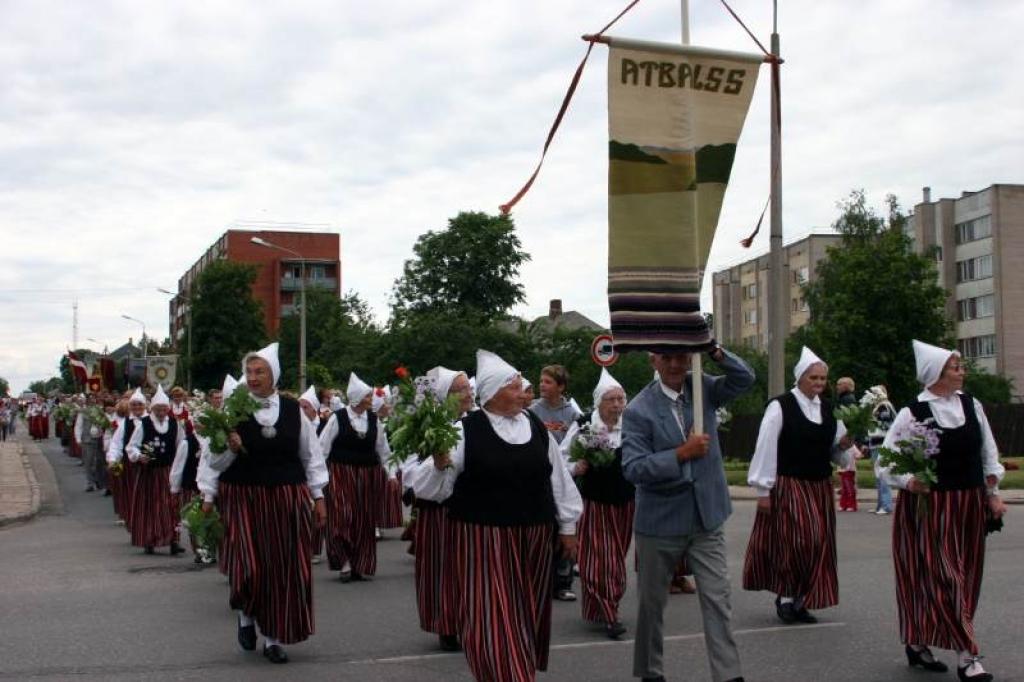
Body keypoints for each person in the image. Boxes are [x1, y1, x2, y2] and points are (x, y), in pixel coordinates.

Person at [413, 350, 583, 682]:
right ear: (493, 393)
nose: (524, 393)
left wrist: (567, 526)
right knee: (492, 615)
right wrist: (438, 462)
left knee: (526, 613)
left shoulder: (535, 426)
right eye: (516, 386)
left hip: (533, 535)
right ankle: (510, 675)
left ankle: (514, 670)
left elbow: (558, 479)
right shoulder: (466, 430)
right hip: (483, 538)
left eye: (522, 386)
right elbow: (431, 487)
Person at [622, 342, 754, 682]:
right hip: (660, 521)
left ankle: (729, 674)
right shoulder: (639, 409)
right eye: (667, 357)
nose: (676, 364)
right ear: (653, 359)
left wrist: (715, 351)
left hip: (706, 517)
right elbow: (634, 468)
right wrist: (681, 453)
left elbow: (745, 378)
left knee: (717, 598)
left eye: (682, 356)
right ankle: (650, 672)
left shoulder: (704, 388)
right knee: (652, 605)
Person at [879, 340, 1007, 681]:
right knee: (946, 578)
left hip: (968, 505)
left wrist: (992, 493)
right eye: (955, 367)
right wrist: (909, 481)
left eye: (960, 366)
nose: (962, 371)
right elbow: (886, 462)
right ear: (936, 374)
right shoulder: (912, 412)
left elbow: (988, 452)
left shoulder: (971, 405)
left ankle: (919, 642)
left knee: (965, 578)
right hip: (929, 508)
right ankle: (968, 657)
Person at [203, 344, 328, 664]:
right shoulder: (232, 409)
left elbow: (311, 456)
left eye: (260, 372)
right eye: (249, 372)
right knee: (249, 568)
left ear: (274, 375)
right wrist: (230, 447)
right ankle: (246, 615)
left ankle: (272, 638)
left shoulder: (292, 410)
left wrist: (318, 496)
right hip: (243, 497)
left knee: (279, 571)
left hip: (286, 495)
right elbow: (213, 462)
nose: (254, 377)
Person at [743, 347, 860, 624]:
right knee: (797, 541)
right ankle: (785, 595)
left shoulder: (829, 410)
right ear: (800, 378)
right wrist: (763, 489)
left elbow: (836, 453)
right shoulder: (780, 405)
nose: (819, 384)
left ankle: (801, 598)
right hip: (790, 484)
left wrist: (844, 446)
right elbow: (766, 446)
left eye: (822, 379)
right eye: (813, 378)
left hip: (818, 485)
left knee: (818, 542)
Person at [402, 366, 475, 652]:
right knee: (442, 569)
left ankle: (468, 620)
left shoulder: (478, 424)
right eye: (460, 390)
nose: (468, 393)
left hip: (471, 508)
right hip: (438, 511)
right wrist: (437, 463)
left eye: (468, 387)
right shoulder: (426, 425)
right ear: (446, 396)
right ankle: (446, 624)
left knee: (468, 568)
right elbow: (408, 473)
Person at [560, 368, 635, 639]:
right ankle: (609, 611)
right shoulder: (583, 426)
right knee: (602, 562)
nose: (617, 405)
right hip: (595, 504)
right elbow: (560, 459)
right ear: (599, 402)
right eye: (611, 399)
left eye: (620, 399)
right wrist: (576, 466)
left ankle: (597, 608)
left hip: (626, 504)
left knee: (616, 557)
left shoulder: (632, 425)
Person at [318, 372, 392, 582]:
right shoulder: (338, 417)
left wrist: (391, 473)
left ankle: (359, 563)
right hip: (340, 473)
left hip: (367, 476)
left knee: (363, 520)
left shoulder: (373, 420)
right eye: (368, 396)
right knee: (342, 516)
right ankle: (343, 561)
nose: (371, 400)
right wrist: (319, 478)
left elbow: (383, 450)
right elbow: (323, 448)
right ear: (357, 398)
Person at [529, 364, 581, 602]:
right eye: (541, 381)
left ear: (561, 387)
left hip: (566, 476)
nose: (542, 385)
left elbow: (579, 443)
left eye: (548, 382)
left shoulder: (572, 414)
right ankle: (541, 578)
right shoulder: (532, 411)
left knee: (565, 527)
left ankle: (563, 581)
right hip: (540, 477)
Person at [126, 385, 186, 555]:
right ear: (152, 408)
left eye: (164, 409)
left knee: (171, 506)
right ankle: (149, 540)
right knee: (150, 507)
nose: (161, 412)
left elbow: (181, 444)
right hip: (150, 473)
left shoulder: (174, 424)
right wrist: (139, 456)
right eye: (158, 409)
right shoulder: (144, 424)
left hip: (168, 471)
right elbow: (131, 447)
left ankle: (174, 540)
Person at [866, 385, 896, 514]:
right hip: (876, 443)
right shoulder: (879, 406)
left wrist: (872, 420)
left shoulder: (884, 406)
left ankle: (886, 505)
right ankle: (880, 505)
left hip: (881, 443)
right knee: (879, 475)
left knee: (883, 474)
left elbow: (885, 424)